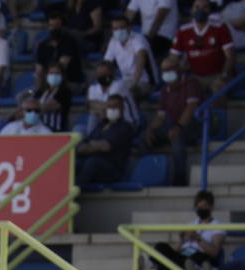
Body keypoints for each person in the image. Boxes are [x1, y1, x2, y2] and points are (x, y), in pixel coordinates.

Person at [142, 56, 203, 187]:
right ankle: (152, 174)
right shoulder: (165, 90)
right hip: (173, 125)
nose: (167, 73)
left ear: (179, 69)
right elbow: (161, 116)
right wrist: (151, 129)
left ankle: (180, 179)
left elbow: (190, 109)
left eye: (170, 69)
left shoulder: (191, 82)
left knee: (177, 137)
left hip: (193, 125)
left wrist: (178, 127)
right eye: (164, 70)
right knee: (143, 138)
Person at [151, 188, 224, 270]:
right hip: (184, 256)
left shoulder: (218, 226)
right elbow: (177, 250)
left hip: (200, 257)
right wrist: (181, 240)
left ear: (211, 207)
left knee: (194, 259)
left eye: (204, 206)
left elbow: (214, 253)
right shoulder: (191, 224)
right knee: (160, 247)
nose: (200, 210)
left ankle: (155, 268)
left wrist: (197, 238)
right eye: (198, 207)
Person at [172, 0, 235, 91]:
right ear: (192, 10)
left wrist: (223, 75)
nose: (200, 10)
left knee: (219, 88)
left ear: (209, 10)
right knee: (187, 91)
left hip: (217, 75)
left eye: (205, 7)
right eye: (197, 7)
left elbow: (230, 56)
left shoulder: (220, 27)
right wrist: (176, 73)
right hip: (195, 76)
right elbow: (173, 57)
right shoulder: (183, 30)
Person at [75, 94, 136, 186]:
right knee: (75, 163)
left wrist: (90, 145)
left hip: (112, 169)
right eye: (109, 107)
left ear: (122, 108)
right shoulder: (101, 125)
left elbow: (106, 146)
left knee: (92, 163)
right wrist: (94, 145)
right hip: (92, 162)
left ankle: (73, 194)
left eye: (115, 107)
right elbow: (81, 147)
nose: (112, 109)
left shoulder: (125, 127)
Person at [105, 12, 156, 100]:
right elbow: (107, 63)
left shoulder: (138, 38)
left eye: (121, 28)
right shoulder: (113, 41)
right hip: (125, 81)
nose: (118, 31)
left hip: (144, 81)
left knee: (127, 94)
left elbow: (141, 57)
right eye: (115, 29)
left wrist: (135, 81)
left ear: (129, 28)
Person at [34, 9, 84, 90]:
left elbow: (62, 66)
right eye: (51, 26)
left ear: (63, 27)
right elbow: (39, 68)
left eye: (56, 26)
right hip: (47, 83)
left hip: (69, 82)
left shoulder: (69, 42)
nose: (53, 29)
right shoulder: (43, 45)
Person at [87, 59, 140, 133]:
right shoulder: (93, 87)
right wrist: (101, 108)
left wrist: (99, 107)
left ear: (112, 74)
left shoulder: (119, 84)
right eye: (99, 74)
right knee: (79, 129)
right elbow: (91, 106)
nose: (102, 77)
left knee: (95, 116)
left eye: (105, 74)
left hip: (126, 122)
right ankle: (89, 139)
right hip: (104, 121)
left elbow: (111, 106)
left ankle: (90, 139)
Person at [34, 61, 72, 133]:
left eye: (57, 73)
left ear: (62, 76)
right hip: (38, 129)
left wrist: (34, 107)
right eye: (51, 73)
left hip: (55, 129)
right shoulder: (41, 91)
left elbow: (48, 106)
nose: (54, 76)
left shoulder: (65, 92)